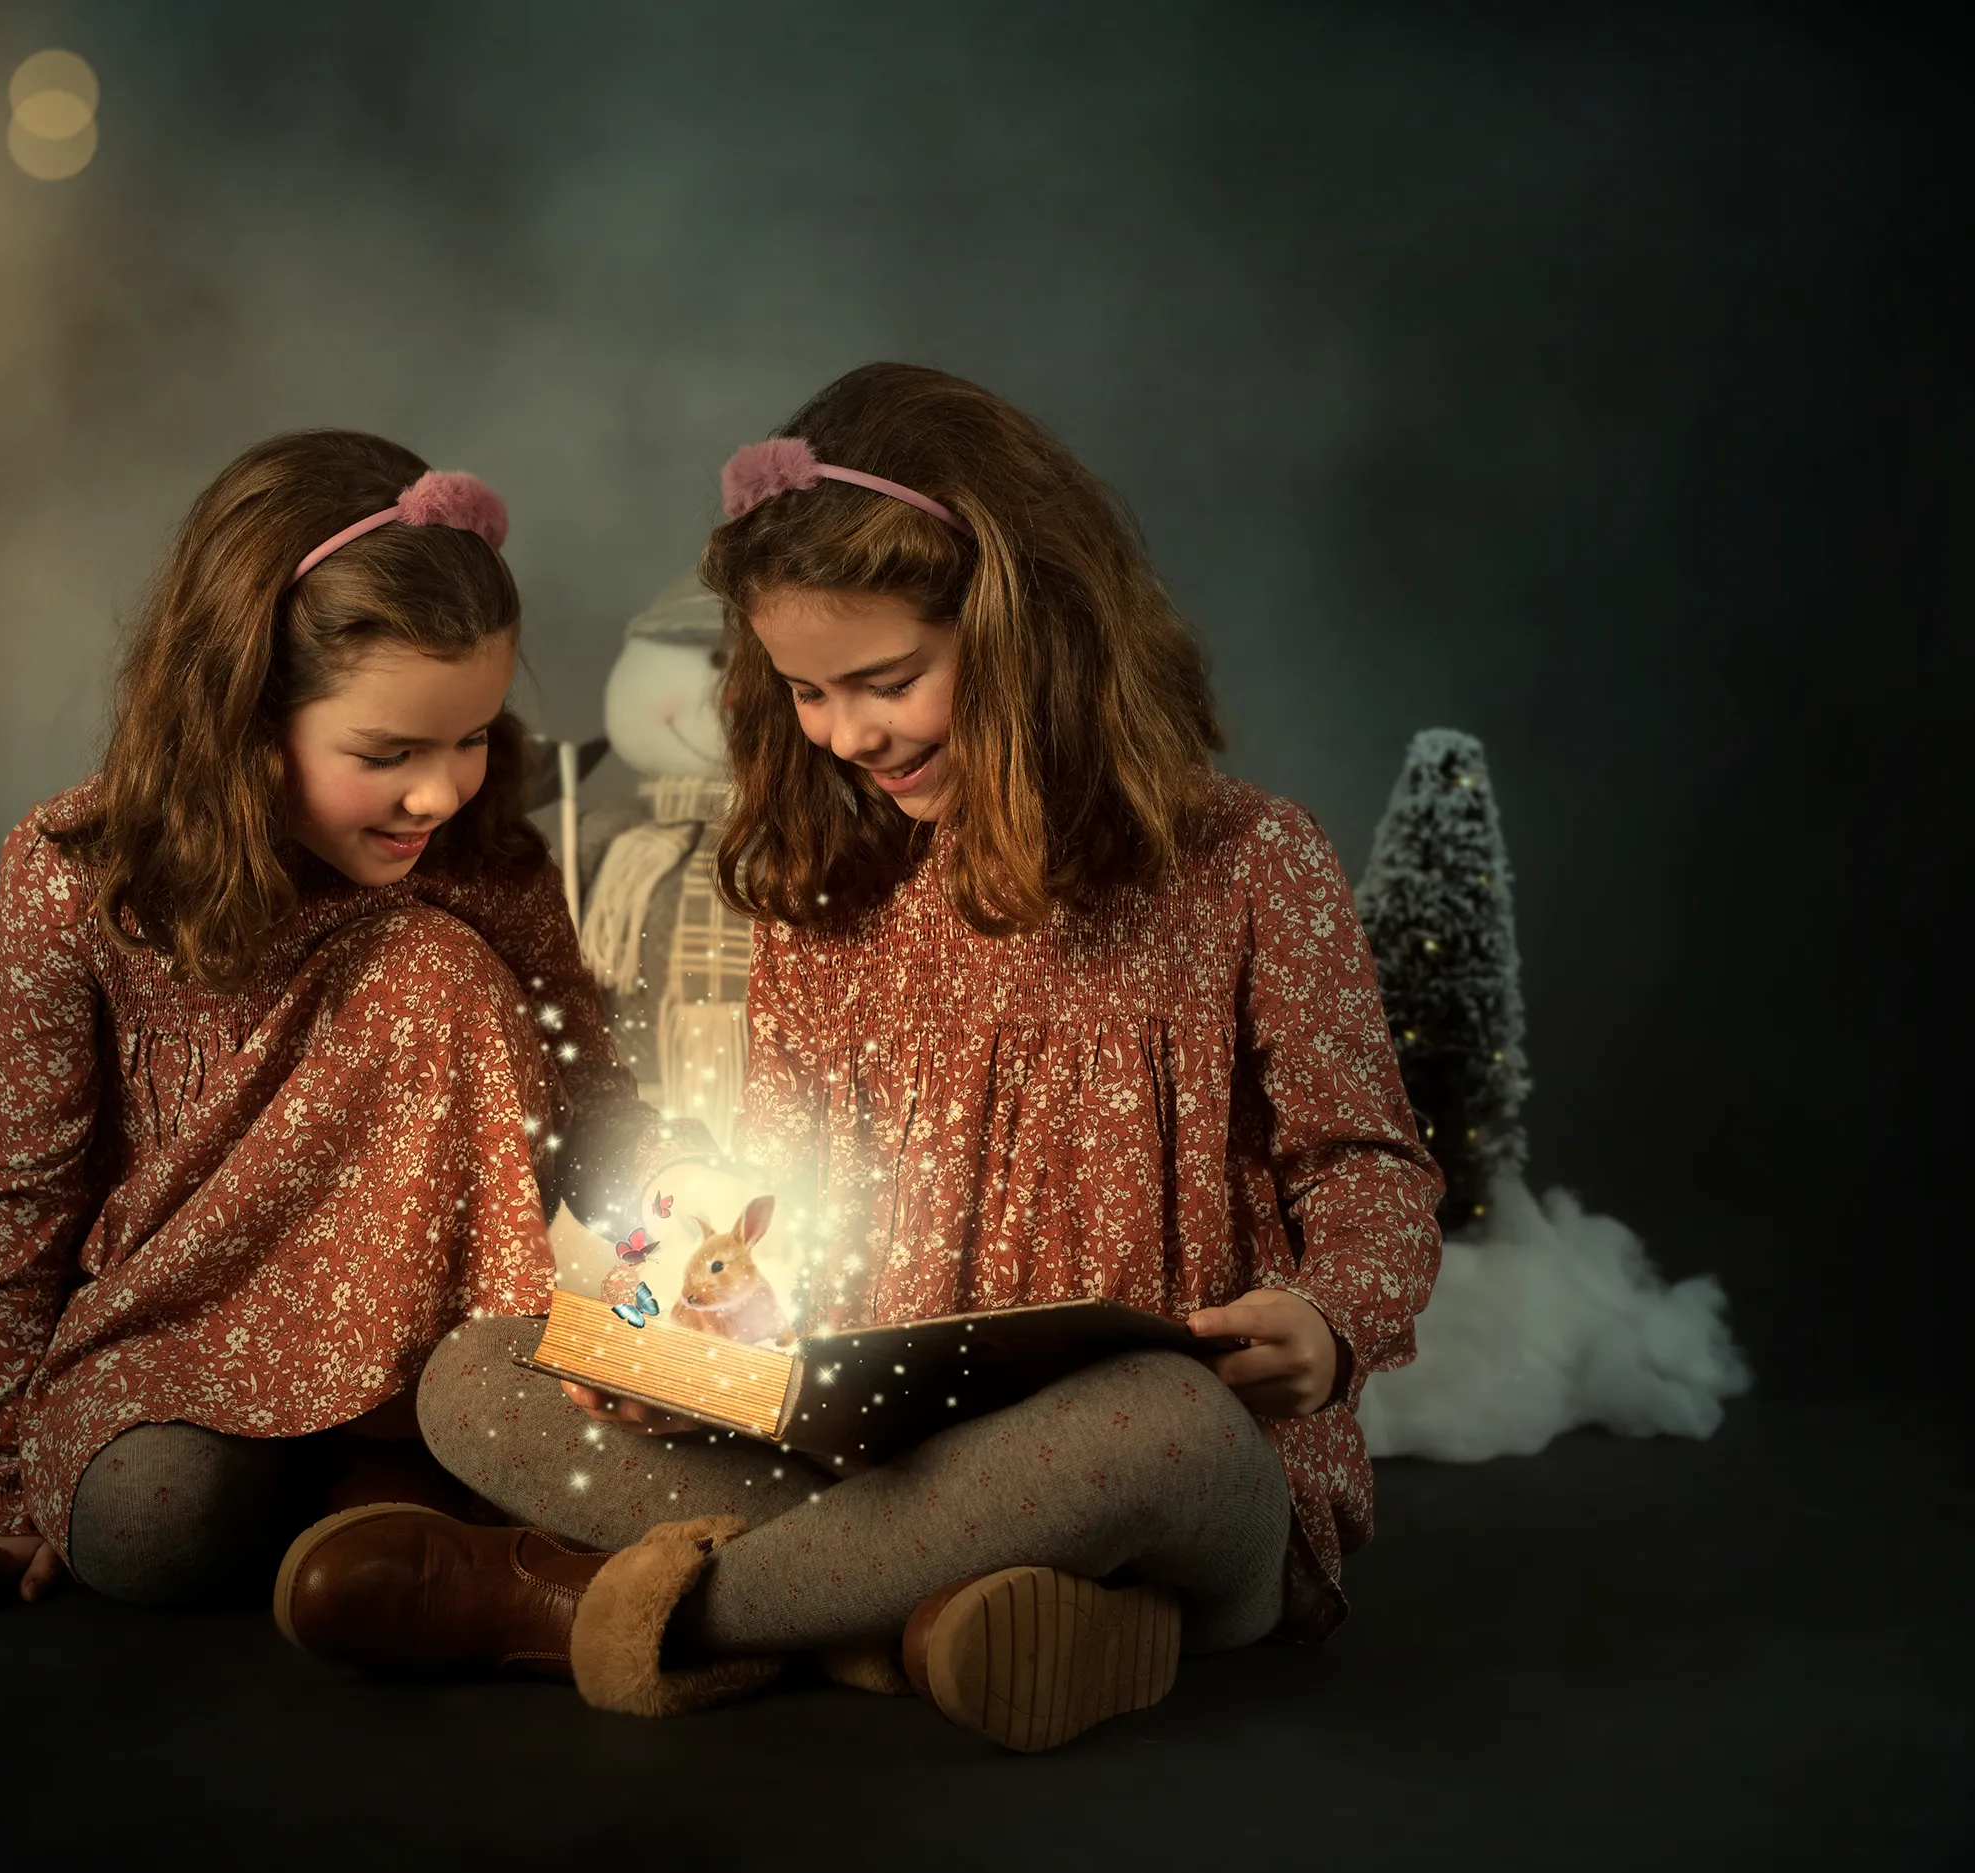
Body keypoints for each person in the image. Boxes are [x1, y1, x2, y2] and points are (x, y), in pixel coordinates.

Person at [275, 364, 1444, 1751]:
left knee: (1155, 1423)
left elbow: (1367, 1169)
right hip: (867, 1460)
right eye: (805, 693)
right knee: (479, 1370)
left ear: (1028, 633)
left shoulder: (1252, 865)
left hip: (1163, 1478)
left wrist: (1329, 1321)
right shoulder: (830, 893)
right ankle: (932, 1616)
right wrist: (672, 1325)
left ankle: (588, 1611)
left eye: (886, 680)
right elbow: (768, 1231)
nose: (846, 733)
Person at [0, 431, 710, 1616]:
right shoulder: (79, 875)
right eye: (388, 753)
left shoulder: (479, 865)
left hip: (445, 1359)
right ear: (246, 717)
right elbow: (18, 1193)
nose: (442, 791)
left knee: (426, 957)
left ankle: (392, 1481)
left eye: (472, 738)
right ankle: (343, 1506)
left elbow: (591, 1108)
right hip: (184, 1338)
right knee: (149, 1530)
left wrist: (683, 1193)